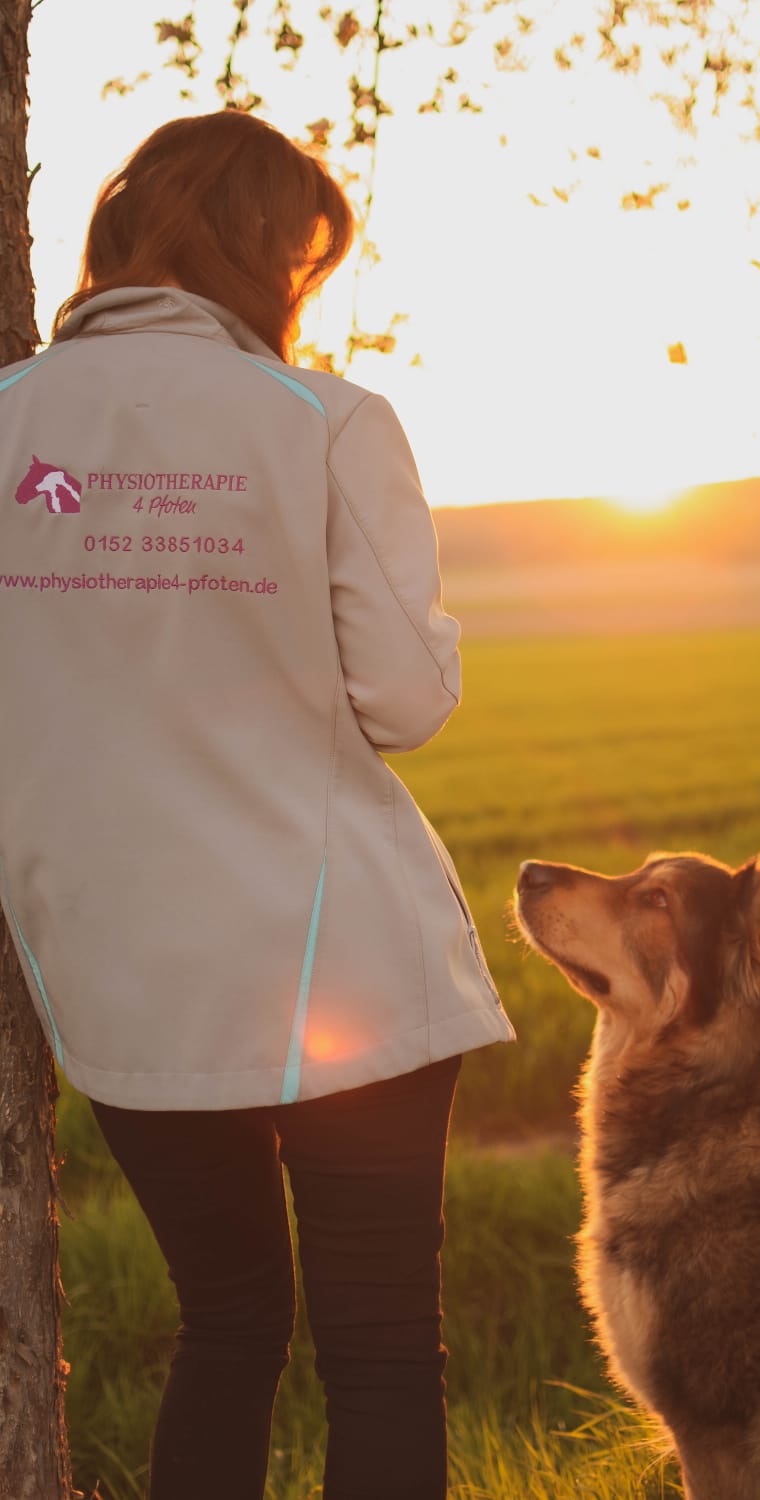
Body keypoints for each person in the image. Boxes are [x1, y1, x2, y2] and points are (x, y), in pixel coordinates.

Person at [0, 111, 515, 1500]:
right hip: (346, 964)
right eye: (302, 260)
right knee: (385, 1356)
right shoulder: (330, 420)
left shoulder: (4, 425)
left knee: (223, 1330)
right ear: (261, 259)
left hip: (127, 992)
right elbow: (406, 702)